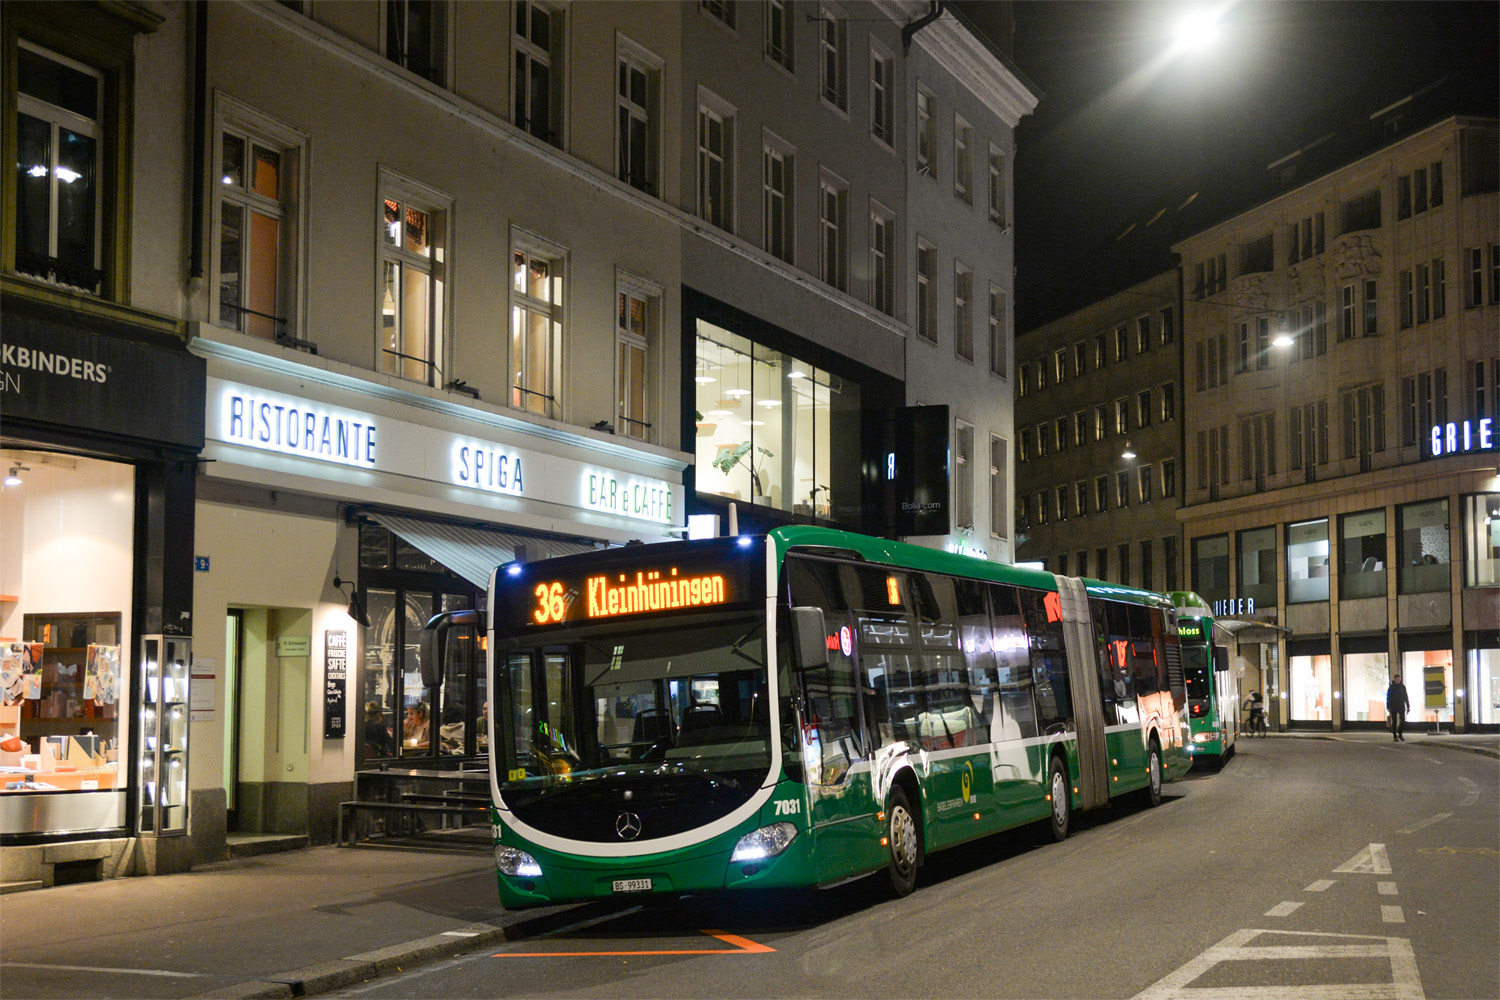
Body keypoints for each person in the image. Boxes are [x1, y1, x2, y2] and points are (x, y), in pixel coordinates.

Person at [1387, 674, 1411, 742]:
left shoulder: (1402, 687)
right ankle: (1395, 736)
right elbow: (1388, 697)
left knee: (1402, 721)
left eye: (1399, 679)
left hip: (1401, 706)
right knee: (1394, 721)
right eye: (1397, 679)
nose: (1398, 680)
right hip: (1393, 706)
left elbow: (1406, 697)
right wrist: (1388, 706)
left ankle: (1400, 734)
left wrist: (1408, 706)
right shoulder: (1391, 687)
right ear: (1394, 679)